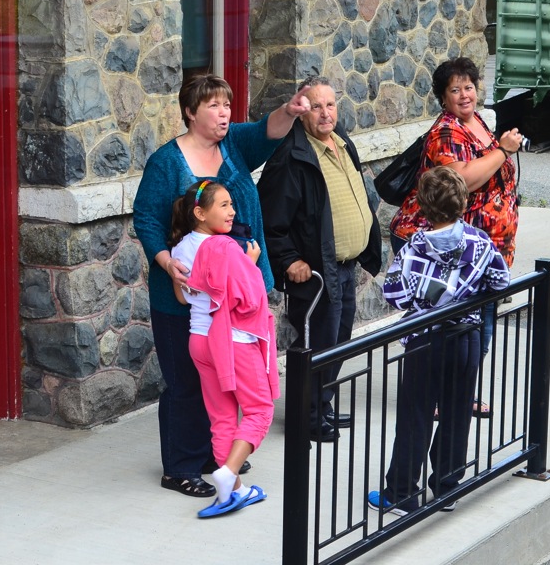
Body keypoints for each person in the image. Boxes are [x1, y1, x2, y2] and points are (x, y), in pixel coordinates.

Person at [132, 75, 309, 498]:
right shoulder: (166, 162)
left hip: (236, 299)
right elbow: (147, 219)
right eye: (213, 106)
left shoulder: (234, 145)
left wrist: (291, 110)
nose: (224, 113)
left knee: (223, 380)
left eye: (227, 105)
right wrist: (165, 261)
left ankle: (215, 453)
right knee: (186, 382)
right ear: (191, 112)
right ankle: (179, 466)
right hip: (185, 298)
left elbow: (270, 129)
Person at [368, 167, 510, 516]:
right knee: (457, 411)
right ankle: (447, 487)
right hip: (467, 338)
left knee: (415, 414)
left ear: (424, 207)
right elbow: (500, 281)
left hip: (426, 341)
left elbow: (395, 293)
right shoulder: (479, 242)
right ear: (463, 202)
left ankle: (402, 492)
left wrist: (426, 295)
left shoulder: (415, 247)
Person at [389, 56, 522, 417]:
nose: (464, 95)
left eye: (469, 87)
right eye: (455, 90)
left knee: (479, 322)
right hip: (441, 248)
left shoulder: (477, 121)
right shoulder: (446, 132)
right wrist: (504, 150)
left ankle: (459, 392)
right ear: (443, 98)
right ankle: (439, 396)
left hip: (479, 249)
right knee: (444, 325)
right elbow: (462, 179)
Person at [258, 77, 382, 443]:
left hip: (343, 267)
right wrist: (288, 260)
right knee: (316, 343)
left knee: (337, 339)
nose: (325, 113)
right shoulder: (291, 156)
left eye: (330, 105)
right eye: (316, 106)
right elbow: (271, 219)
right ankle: (305, 416)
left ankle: (321, 407)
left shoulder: (341, 142)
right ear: (301, 112)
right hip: (315, 273)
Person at [168, 180, 276, 518]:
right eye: (224, 205)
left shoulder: (181, 249)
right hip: (233, 341)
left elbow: (182, 297)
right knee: (260, 410)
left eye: (232, 204)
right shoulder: (227, 249)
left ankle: (234, 491)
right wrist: (251, 263)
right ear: (200, 213)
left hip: (199, 339)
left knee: (222, 416)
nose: (232, 212)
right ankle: (228, 471)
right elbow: (249, 299)